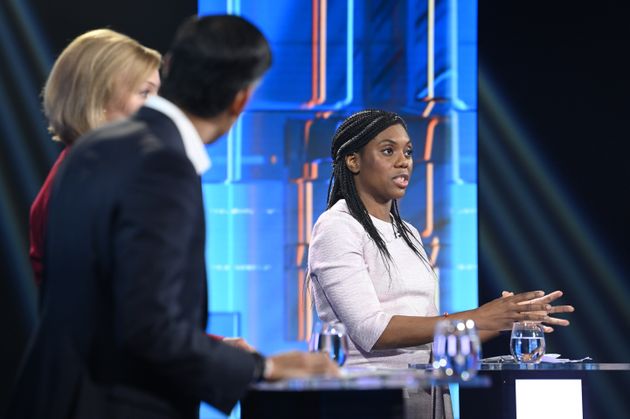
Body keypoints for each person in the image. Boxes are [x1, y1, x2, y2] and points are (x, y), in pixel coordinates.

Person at [6, 15, 338, 419]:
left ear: (172, 69)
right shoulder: (163, 165)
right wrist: (262, 368)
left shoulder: (92, 148)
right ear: (240, 100)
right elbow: (148, 327)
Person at [307, 109, 574, 418]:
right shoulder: (338, 227)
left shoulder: (407, 232)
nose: (403, 161)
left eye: (408, 151)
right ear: (353, 161)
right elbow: (372, 331)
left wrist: (503, 320)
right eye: (388, 150)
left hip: (428, 389)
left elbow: (433, 336)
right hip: (371, 397)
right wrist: (478, 316)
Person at [29, 29, 162, 287]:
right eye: (145, 93)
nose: (158, 107)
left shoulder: (84, 171)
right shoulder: (89, 183)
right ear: (99, 97)